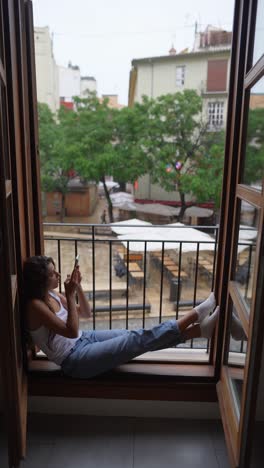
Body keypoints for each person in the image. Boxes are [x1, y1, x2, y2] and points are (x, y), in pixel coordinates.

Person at [23, 255, 220, 379]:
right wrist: (70, 293)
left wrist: (78, 286)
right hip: (74, 360)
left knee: (133, 334)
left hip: (85, 338)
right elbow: (71, 330)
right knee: (135, 340)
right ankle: (196, 315)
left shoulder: (50, 294)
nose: (58, 274)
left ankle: (199, 330)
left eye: (56, 270)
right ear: (40, 281)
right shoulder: (35, 305)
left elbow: (85, 313)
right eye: (52, 274)